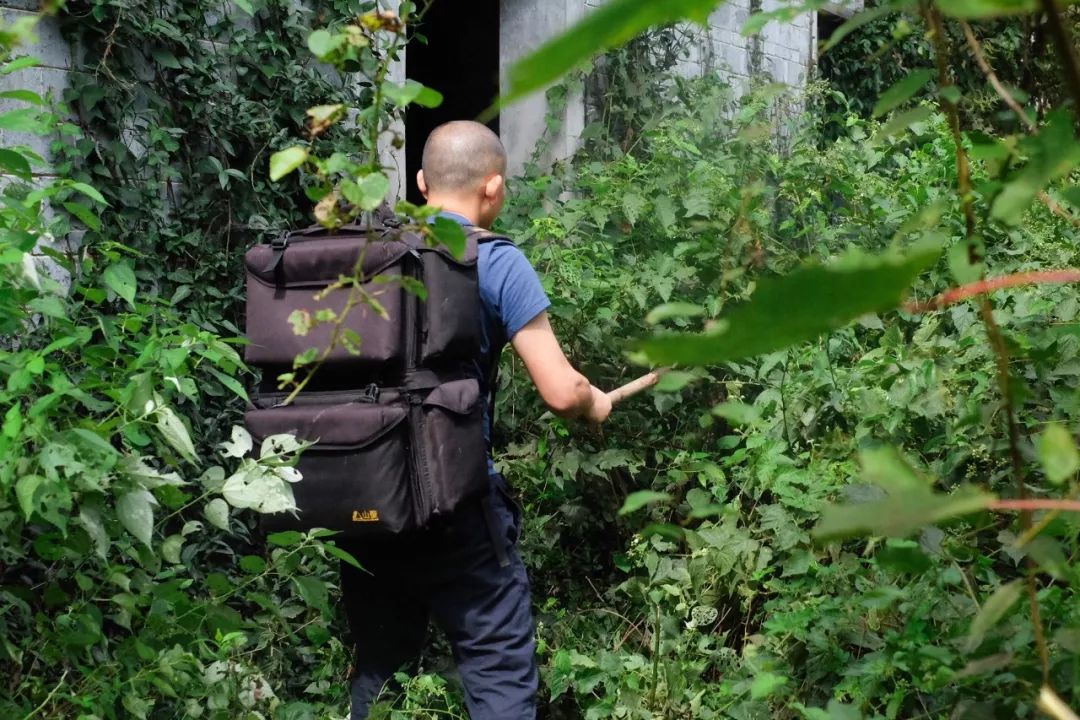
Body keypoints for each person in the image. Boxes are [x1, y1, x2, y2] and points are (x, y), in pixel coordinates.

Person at [339, 120, 612, 720]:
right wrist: (599, 402)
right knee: (499, 674)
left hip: (363, 503)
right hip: (457, 503)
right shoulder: (495, 261)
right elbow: (562, 392)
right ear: (493, 188)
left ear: (419, 182)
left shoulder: (364, 258)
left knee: (379, 674)